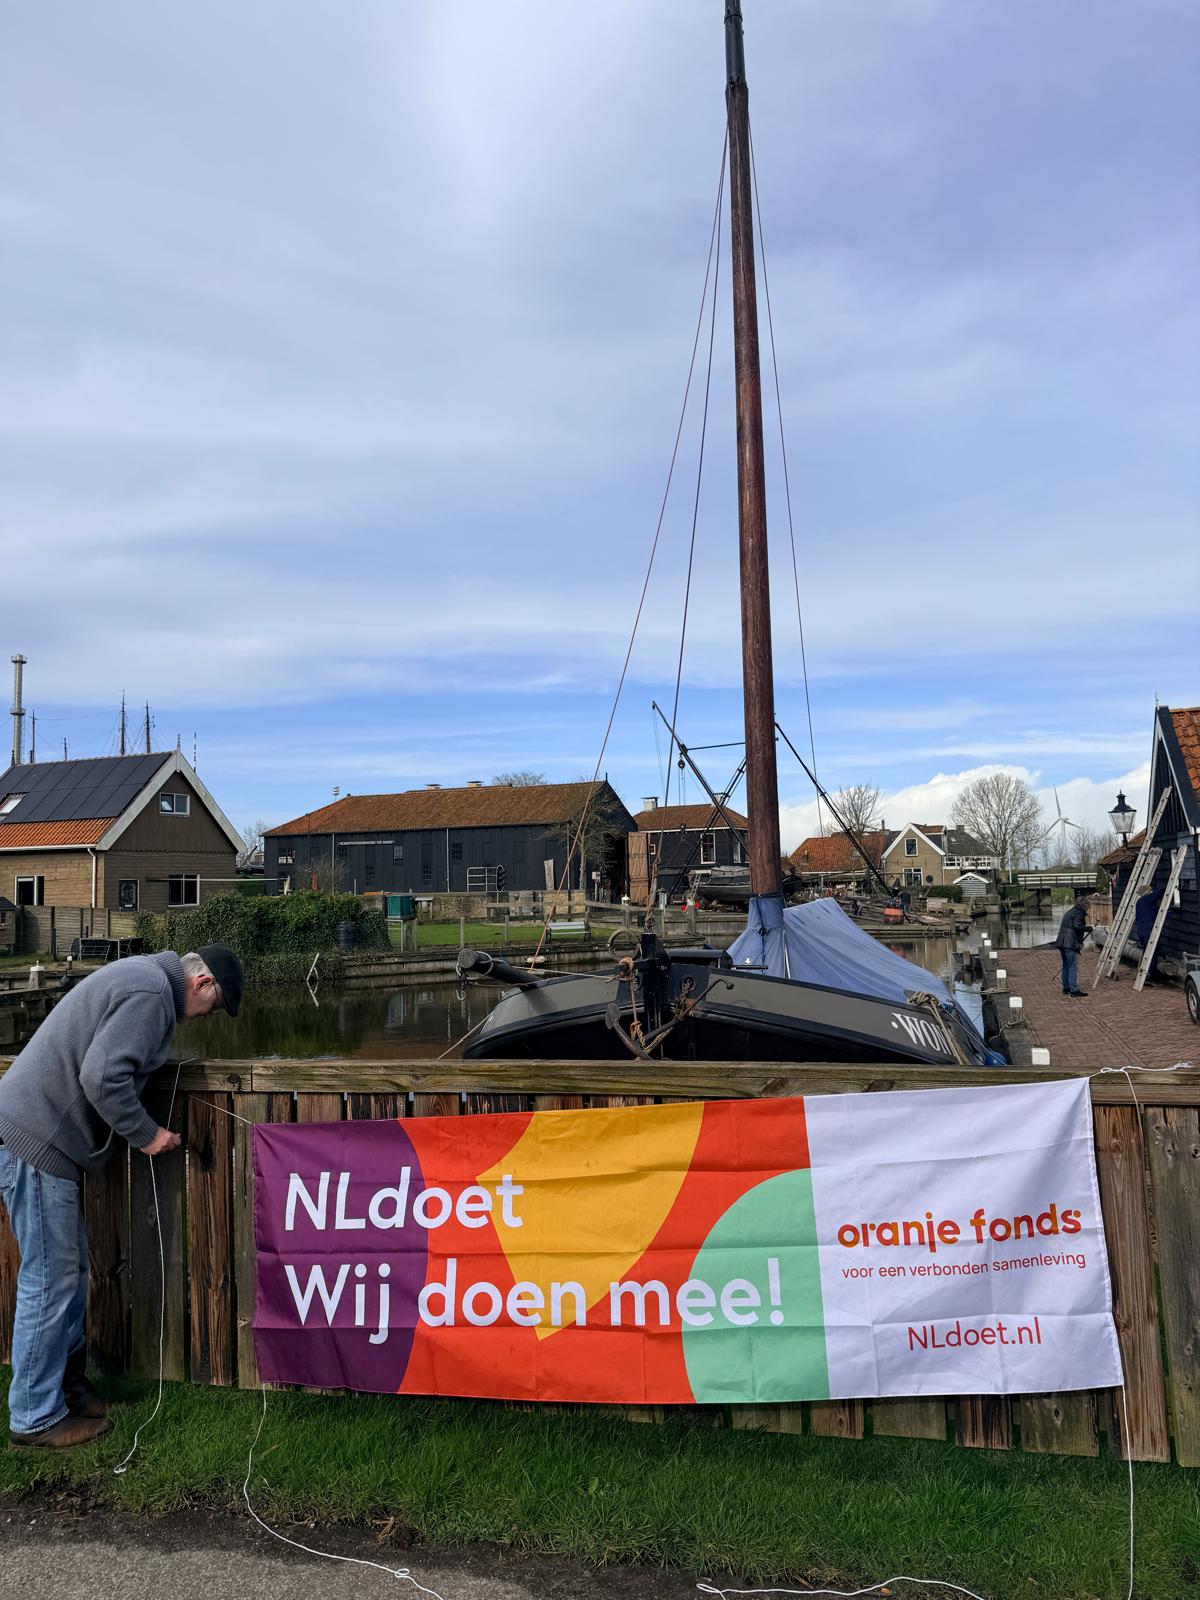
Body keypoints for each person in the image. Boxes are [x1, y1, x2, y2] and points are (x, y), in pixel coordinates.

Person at [0, 943, 243, 1449]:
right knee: (50, 1278)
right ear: (202, 983)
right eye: (215, 1006)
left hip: (38, 1137)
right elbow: (102, 1076)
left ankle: (67, 1389)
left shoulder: (146, 982)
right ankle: (33, 1415)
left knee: (68, 1275)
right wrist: (146, 1135)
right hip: (35, 1140)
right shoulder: (151, 994)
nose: (208, 1016)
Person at [1054, 892, 1093, 997]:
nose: (1088, 908)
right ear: (1084, 905)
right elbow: (1077, 925)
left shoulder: (1070, 911)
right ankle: (1074, 990)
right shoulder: (1079, 913)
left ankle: (1066, 987)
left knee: (1066, 965)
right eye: (1087, 906)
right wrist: (1088, 928)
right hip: (1070, 943)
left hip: (1062, 942)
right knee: (1072, 966)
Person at [1133, 884, 1164, 982]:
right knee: (1151, 953)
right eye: (1150, 891)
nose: (1152, 892)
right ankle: (1152, 977)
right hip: (1147, 929)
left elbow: (1151, 912)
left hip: (1141, 930)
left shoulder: (1139, 902)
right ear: (1147, 893)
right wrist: (1167, 885)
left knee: (1148, 951)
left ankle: (1147, 974)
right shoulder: (1146, 899)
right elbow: (1158, 893)